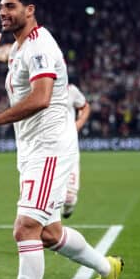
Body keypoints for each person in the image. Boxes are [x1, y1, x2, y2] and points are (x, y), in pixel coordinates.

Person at [0, 0, 123, 279]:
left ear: (29, 10)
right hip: (31, 150)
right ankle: (107, 268)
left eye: (11, 6)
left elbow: (41, 97)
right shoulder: (20, 46)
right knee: (48, 233)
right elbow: (9, 55)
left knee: (25, 228)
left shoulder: (41, 46)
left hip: (49, 149)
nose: (3, 11)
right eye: (2, 6)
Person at [62, 83, 90, 218]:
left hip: (68, 144)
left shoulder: (70, 90)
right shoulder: (38, 88)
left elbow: (85, 106)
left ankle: (68, 205)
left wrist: (77, 125)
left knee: (69, 198)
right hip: (45, 145)